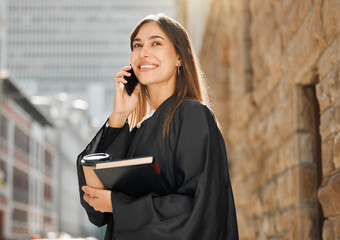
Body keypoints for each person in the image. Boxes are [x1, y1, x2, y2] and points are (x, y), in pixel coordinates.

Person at [76, 13, 239, 240]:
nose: (143, 52)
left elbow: (199, 209)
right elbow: (94, 204)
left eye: (156, 43)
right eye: (137, 45)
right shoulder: (138, 130)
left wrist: (119, 205)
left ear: (179, 57)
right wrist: (118, 116)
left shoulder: (193, 116)